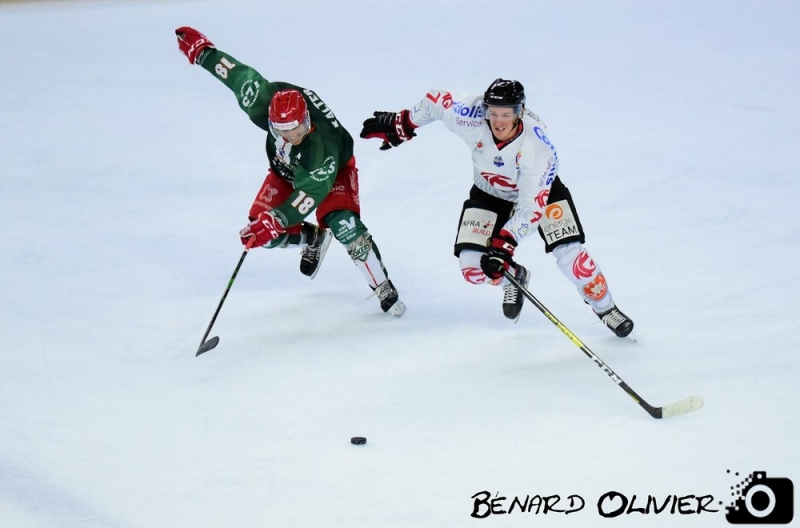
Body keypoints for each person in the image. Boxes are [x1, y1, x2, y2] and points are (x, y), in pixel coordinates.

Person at [360, 79, 632, 336]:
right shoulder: (471, 115)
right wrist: (403, 124)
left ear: (520, 112)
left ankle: (606, 308)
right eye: (494, 112)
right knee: (472, 267)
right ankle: (515, 277)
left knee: (573, 258)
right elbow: (435, 102)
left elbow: (530, 210)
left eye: (507, 114)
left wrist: (504, 244)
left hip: (540, 193)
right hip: (489, 192)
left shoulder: (538, 149)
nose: (498, 121)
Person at [175, 27, 405, 317]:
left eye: (297, 129)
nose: (292, 135)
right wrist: (204, 53)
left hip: (332, 174)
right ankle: (313, 238)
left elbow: (308, 197)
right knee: (257, 231)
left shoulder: (319, 149)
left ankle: (381, 284)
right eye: (282, 131)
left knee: (345, 226)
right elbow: (237, 77)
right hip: (286, 170)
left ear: (306, 119)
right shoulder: (265, 101)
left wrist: (277, 219)